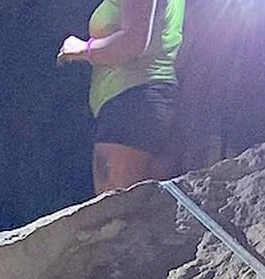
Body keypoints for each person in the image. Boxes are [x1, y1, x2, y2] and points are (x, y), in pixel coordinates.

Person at [57, 0, 186, 194]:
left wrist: (81, 49)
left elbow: (133, 40)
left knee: (116, 211)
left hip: (132, 105)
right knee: (151, 215)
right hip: (153, 102)